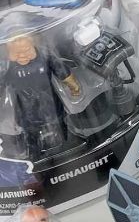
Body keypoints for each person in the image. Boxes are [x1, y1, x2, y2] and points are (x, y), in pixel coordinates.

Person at [3, 34, 81, 162]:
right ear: (7, 52)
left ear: (34, 45)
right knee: (30, 134)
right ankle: (34, 155)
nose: (22, 55)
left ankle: (67, 145)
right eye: (16, 53)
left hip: (50, 104)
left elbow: (60, 69)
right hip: (25, 109)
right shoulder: (6, 67)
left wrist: (73, 85)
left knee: (60, 125)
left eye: (27, 50)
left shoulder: (44, 56)